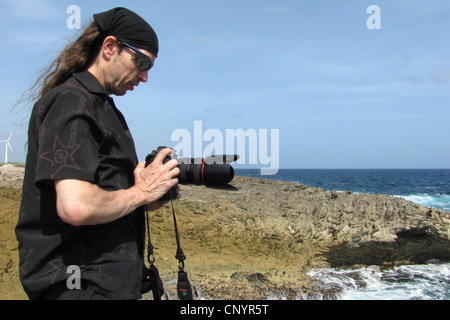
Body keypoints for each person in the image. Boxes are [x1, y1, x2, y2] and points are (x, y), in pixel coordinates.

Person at [15, 7, 180, 300]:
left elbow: (107, 199)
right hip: (78, 287)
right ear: (109, 47)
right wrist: (140, 192)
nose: (144, 76)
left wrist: (150, 193)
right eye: (140, 61)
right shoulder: (73, 102)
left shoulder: (101, 108)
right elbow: (76, 206)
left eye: (150, 67)